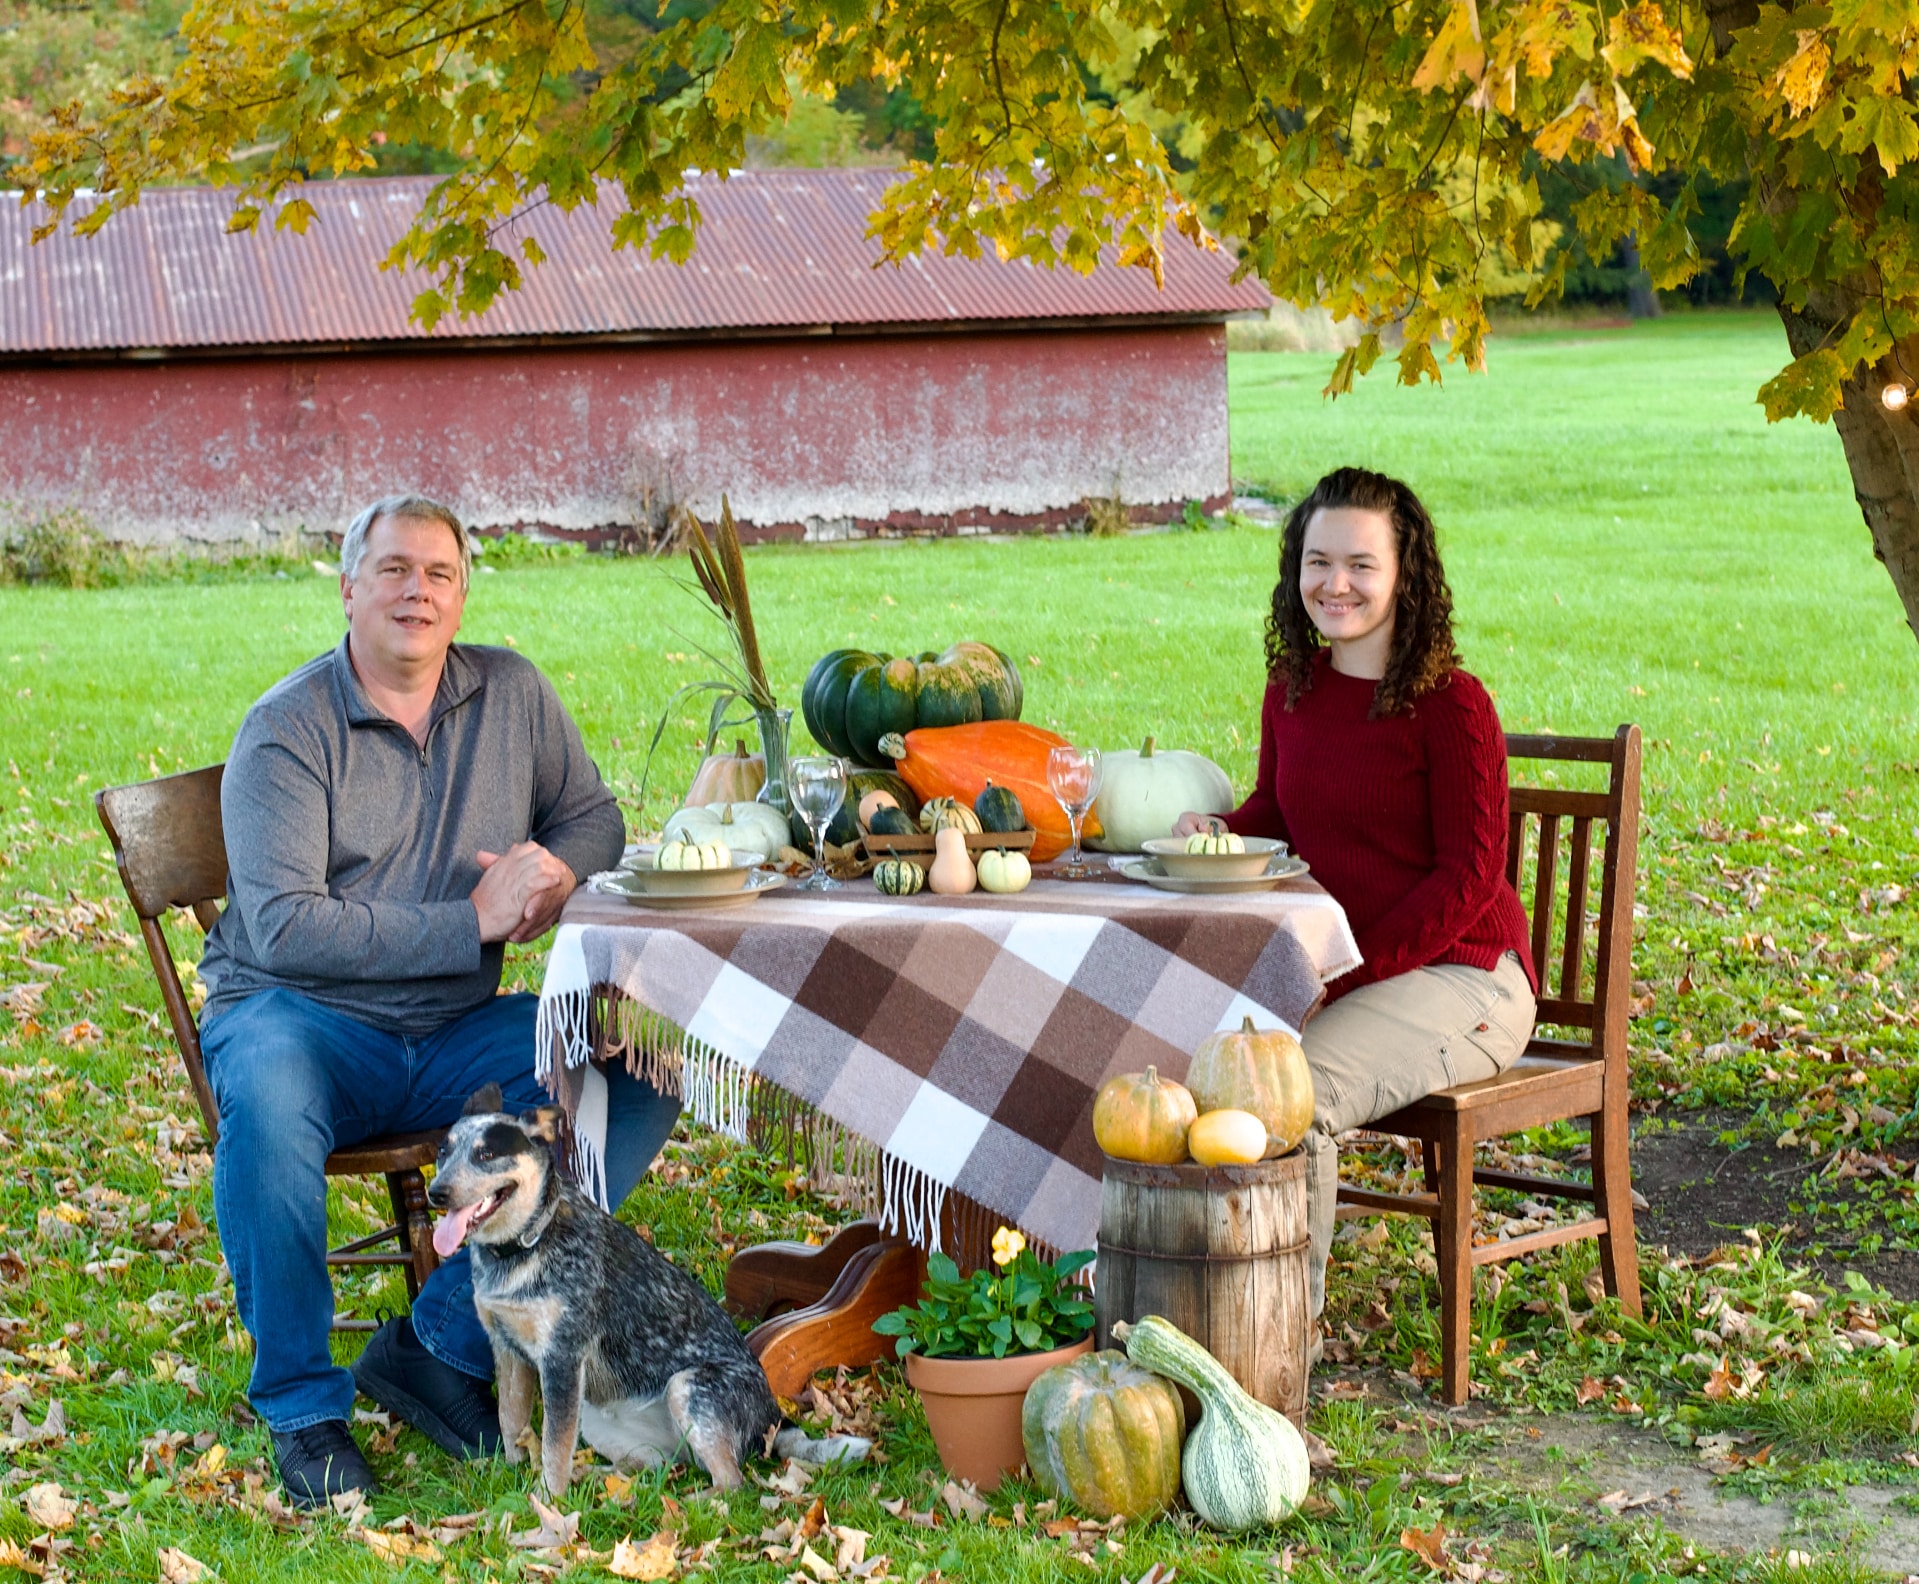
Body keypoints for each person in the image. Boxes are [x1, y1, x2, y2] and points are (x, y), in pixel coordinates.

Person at [196, 495, 681, 1507]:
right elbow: (286, 926)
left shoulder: (509, 694)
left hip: (453, 1033)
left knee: (636, 1063)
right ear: (348, 588)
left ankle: (436, 1347)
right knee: (272, 1105)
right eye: (393, 569)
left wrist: (549, 877)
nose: (417, 589)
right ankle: (302, 1408)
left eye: (440, 573)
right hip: (300, 1018)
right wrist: (473, 920)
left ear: (460, 596)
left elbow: (594, 815)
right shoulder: (286, 730)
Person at [1174, 466, 1536, 1329]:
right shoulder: (1292, 690)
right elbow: (1279, 812)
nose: (1335, 583)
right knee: (1192, 1070)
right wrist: (1214, 827)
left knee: (1293, 1097)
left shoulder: (1452, 706)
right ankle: (1198, 1304)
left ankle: (1274, 1342)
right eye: (1317, 560)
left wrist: (1344, 975)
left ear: (1405, 575)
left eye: (1361, 565)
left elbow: (1467, 880)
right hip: (1351, 972)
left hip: (1467, 981)